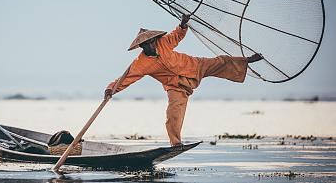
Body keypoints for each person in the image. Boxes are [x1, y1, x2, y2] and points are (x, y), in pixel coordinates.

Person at [104, 14, 263, 146]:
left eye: (151, 42)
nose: (150, 46)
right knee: (174, 111)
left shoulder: (163, 42)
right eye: (146, 45)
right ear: (142, 46)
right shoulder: (141, 63)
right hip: (176, 85)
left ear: (154, 40)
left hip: (195, 66)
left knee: (221, 61)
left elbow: (177, 35)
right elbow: (127, 78)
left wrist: (183, 24)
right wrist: (111, 89)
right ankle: (176, 143)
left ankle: (246, 60)